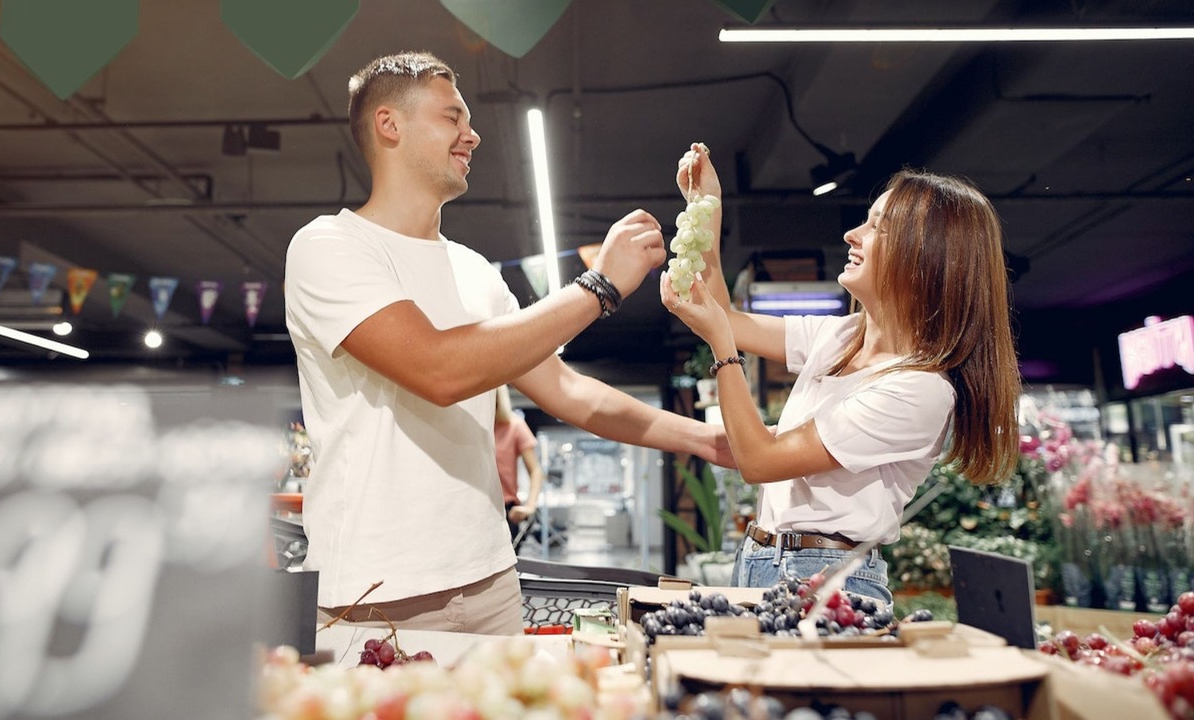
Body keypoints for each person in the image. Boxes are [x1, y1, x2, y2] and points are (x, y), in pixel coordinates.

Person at [283, 52, 733, 635]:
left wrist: (711, 441)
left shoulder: (475, 270)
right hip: (376, 592)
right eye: (452, 117)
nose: (472, 135)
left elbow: (570, 391)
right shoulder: (329, 246)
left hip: (492, 579)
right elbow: (437, 370)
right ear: (389, 123)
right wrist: (598, 287)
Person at [660, 144, 1020, 605]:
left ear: (926, 256)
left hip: (829, 581)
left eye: (877, 227)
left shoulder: (921, 390)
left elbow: (759, 461)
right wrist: (706, 205)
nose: (852, 234)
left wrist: (722, 352)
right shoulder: (843, 335)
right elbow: (727, 319)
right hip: (760, 559)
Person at [494, 387, 546, 544]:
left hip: (504, 512)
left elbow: (536, 470)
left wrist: (530, 506)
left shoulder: (514, 426)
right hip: (471, 510)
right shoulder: (472, 428)